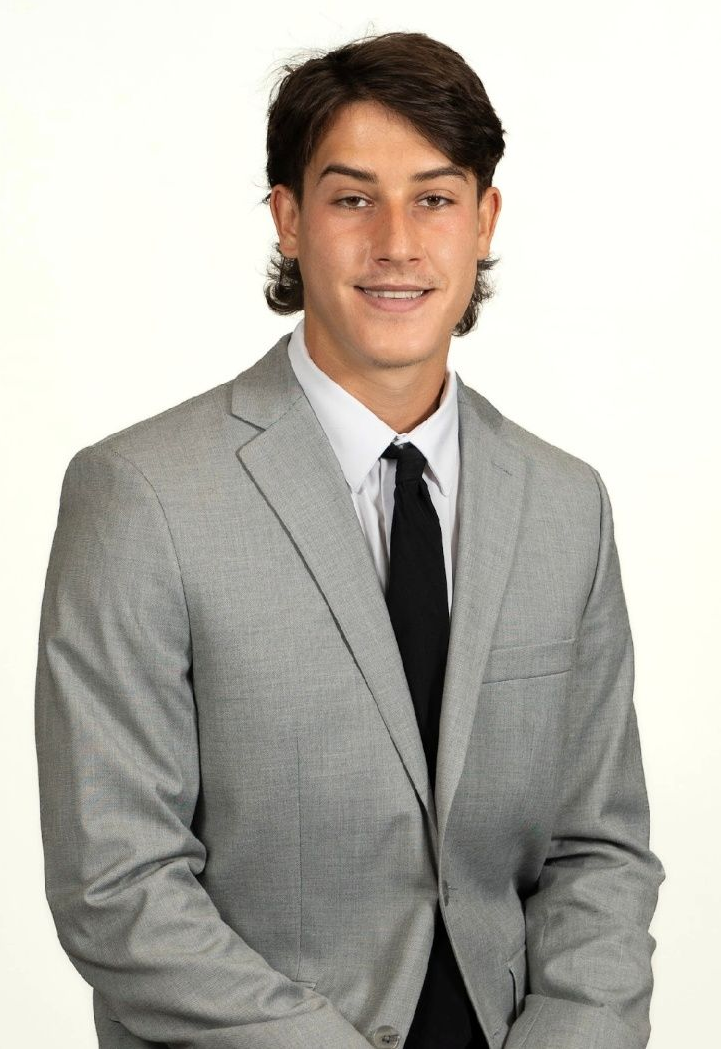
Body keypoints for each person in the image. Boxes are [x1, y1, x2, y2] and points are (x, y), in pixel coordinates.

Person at [34, 30, 665, 1049]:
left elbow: (596, 849)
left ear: (483, 218)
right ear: (288, 218)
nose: (397, 244)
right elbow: (118, 884)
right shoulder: (141, 493)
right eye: (350, 197)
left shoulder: (564, 504)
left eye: (433, 196)